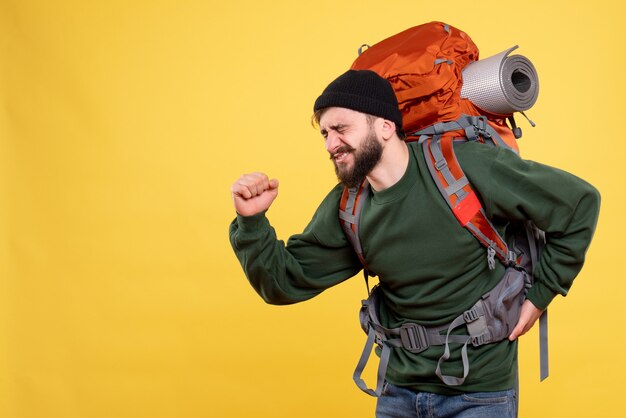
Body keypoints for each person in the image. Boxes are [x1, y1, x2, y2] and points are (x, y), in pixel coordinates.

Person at [229, 69, 600, 418]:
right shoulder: (349, 205)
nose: (331, 144)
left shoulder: (463, 166)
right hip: (397, 392)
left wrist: (543, 294)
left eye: (341, 128)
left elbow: (580, 203)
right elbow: (284, 282)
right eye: (324, 133)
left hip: (481, 391)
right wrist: (251, 221)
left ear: (386, 126)